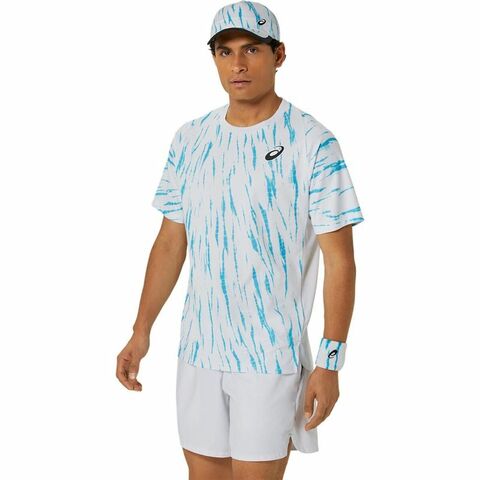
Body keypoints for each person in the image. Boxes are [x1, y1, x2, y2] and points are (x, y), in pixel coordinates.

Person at [116, 1, 365, 479]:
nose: (238, 64)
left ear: (279, 55)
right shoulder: (190, 139)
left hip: (270, 355)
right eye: (225, 52)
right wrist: (141, 330)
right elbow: (171, 241)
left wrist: (330, 362)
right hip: (198, 349)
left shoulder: (314, 142)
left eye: (251, 49)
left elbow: (341, 261)